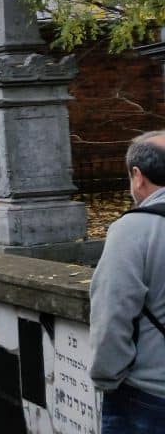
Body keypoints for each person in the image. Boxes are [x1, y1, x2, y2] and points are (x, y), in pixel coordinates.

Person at [90, 130, 165, 433]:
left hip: (149, 394)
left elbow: (112, 313)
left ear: (138, 176)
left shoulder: (134, 230)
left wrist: (106, 377)